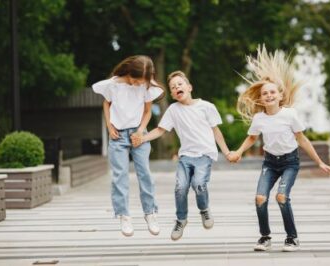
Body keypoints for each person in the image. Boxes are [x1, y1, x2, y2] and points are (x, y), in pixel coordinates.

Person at [228, 45, 330, 252]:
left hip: (289, 162)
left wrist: (320, 162)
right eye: (264, 93)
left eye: (272, 92)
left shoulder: (289, 115)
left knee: (281, 197)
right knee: (260, 198)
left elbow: (302, 140)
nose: (268, 95)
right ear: (261, 99)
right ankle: (265, 237)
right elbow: (251, 138)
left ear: (280, 96)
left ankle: (292, 238)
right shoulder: (259, 118)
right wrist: (238, 152)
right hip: (270, 162)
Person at [131, 71, 231, 241]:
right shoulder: (173, 110)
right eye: (173, 87)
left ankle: (204, 209)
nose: (177, 87)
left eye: (180, 84)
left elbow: (216, 131)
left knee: (199, 184)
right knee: (180, 188)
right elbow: (161, 130)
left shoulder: (206, 107)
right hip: (185, 156)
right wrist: (142, 138)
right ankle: (181, 219)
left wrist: (227, 152)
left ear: (189, 87)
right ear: (172, 94)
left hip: (204, 154)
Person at [92, 55, 164, 237]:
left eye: (142, 82)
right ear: (130, 73)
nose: (139, 84)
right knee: (119, 176)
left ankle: (150, 213)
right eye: (137, 80)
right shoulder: (113, 84)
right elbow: (106, 105)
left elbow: (147, 112)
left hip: (139, 135)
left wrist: (141, 131)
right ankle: (124, 215)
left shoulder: (146, 84)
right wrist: (109, 126)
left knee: (144, 173)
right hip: (118, 135)